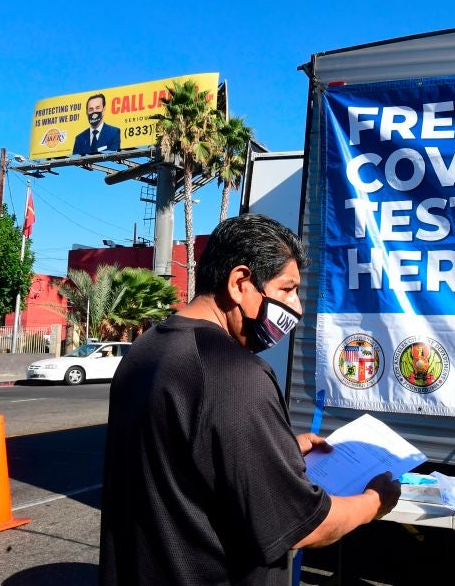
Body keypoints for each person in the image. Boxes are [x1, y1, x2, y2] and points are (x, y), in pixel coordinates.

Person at [99, 214, 401, 585]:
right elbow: (303, 525)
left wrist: (278, 449)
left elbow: (180, 459)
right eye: (286, 289)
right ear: (241, 283)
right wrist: (375, 500)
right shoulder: (235, 373)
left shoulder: (146, 348)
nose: (297, 308)